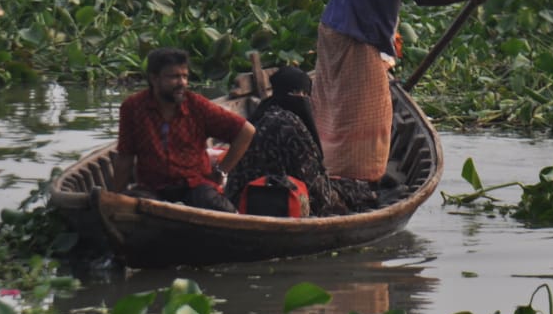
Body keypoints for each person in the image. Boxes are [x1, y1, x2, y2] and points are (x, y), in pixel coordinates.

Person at [312, 0, 492, 182]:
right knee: (370, 114)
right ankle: (352, 175)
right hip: (350, 35)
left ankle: (341, 170)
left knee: (347, 106)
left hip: (346, 29)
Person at [112, 47, 255, 212]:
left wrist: (221, 171)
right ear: (154, 78)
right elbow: (125, 156)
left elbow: (245, 131)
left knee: (220, 209)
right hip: (152, 188)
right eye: (174, 77)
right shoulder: (133, 107)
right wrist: (115, 198)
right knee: (137, 207)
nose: (182, 83)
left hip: (194, 185)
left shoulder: (197, 105)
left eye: (185, 76)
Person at [224, 66, 376, 216]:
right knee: (356, 191)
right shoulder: (289, 125)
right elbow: (315, 187)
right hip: (273, 200)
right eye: (303, 94)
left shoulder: (259, 115)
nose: (305, 100)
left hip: (239, 197)